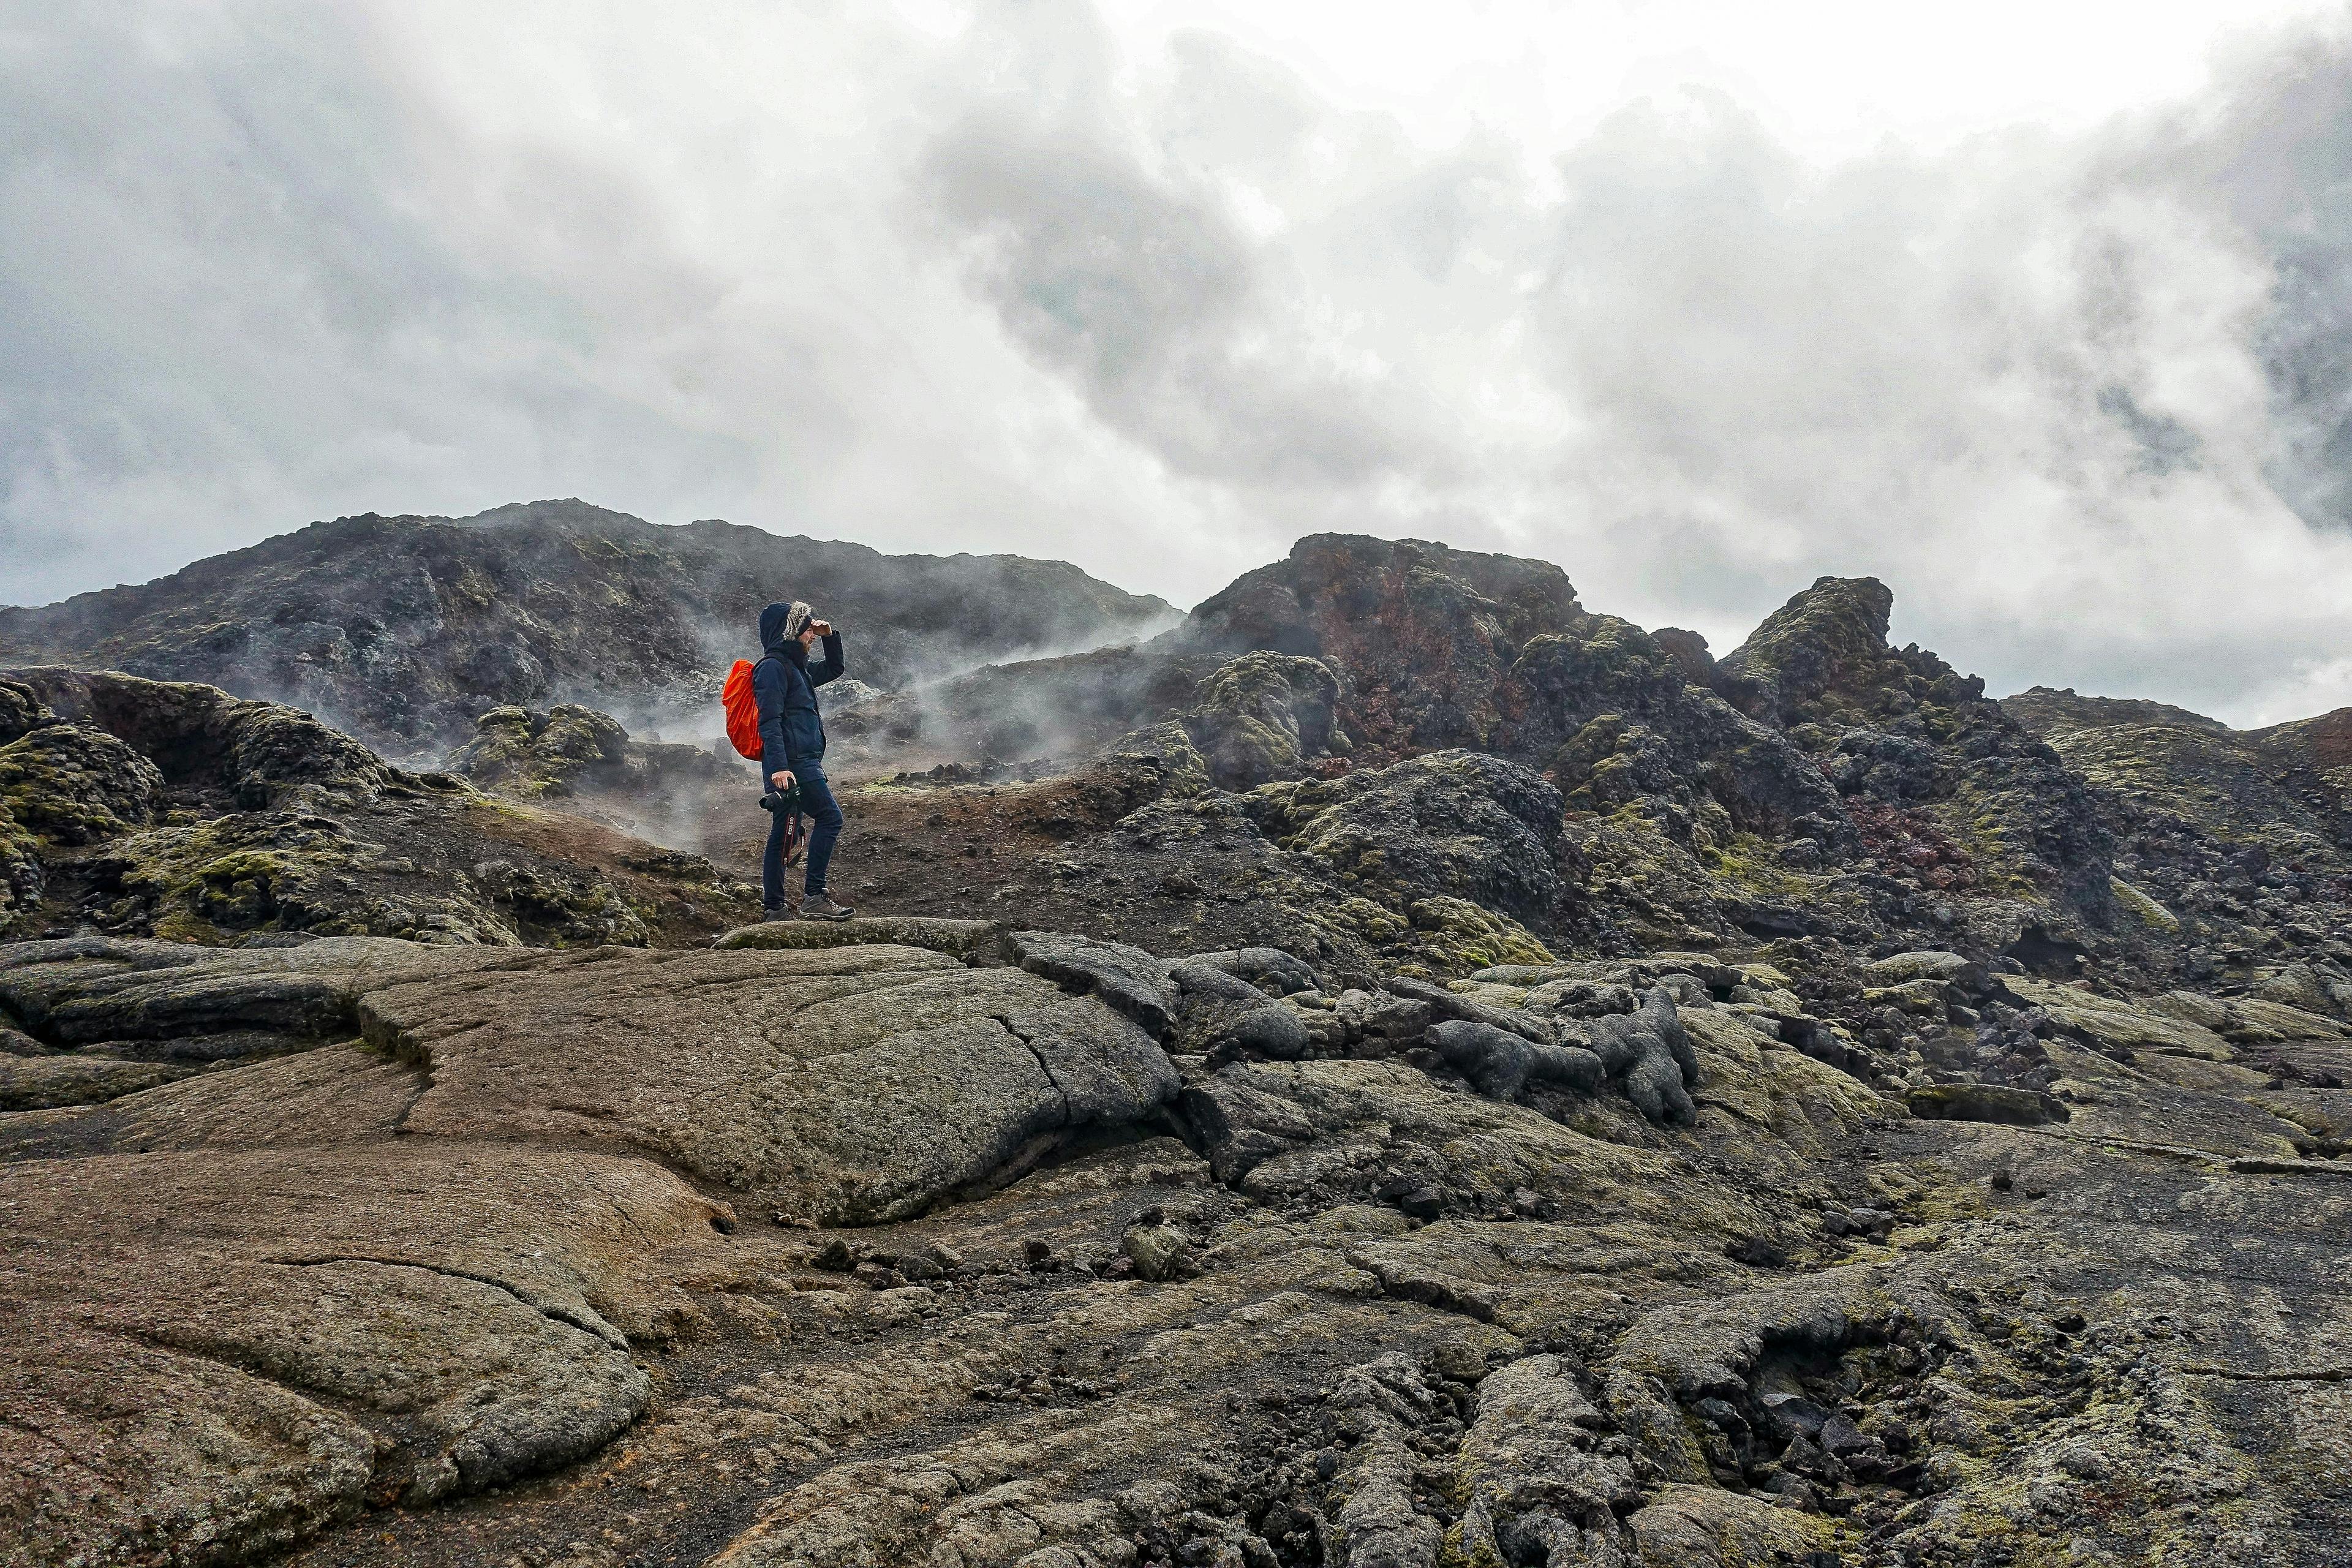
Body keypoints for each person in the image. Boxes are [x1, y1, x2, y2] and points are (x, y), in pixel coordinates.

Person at [753, 600, 853, 921]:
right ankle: (813, 896)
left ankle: (775, 908)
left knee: (785, 832)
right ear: (790, 632)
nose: (811, 632)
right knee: (830, 817)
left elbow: (835, 669)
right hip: (793, 764)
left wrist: (829, 635)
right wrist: (781, 767)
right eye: (806, 628)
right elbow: (770, 721)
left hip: (798, 762)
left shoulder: (797, 667)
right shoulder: (773, 668)